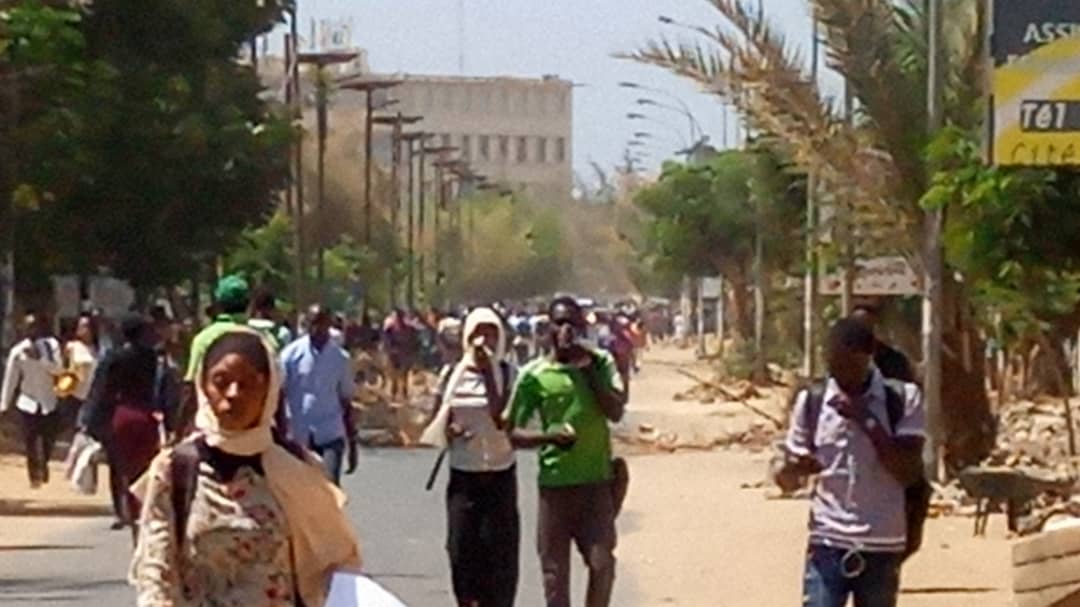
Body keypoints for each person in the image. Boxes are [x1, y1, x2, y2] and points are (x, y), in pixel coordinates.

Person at [130, 327, 361, 607]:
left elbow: (335, 569)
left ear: (269, 388)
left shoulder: (299, 469)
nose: (234, 394)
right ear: (203, 386)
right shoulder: (175, 469)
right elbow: (156, 571)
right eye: (221, 381)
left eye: (249, 383)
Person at [775, 318, 925, 607]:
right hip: (827, 540)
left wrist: (866, 419)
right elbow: (785, 480)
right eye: (834, 366)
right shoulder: (813, 401)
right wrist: (794, 469)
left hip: (882, 544)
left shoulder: (903, 399)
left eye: (849, 366)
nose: (841, 376)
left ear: (868, 359)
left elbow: (907, 472)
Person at [507, 297, 628, 607]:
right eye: (558, 323)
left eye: (572, 323)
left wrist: (587, 372)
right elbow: (513, 433)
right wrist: (549, 437)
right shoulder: (534, 375)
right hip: (555, 490)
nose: (565, 331)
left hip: (596, 485)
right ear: (548, 328)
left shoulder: (601, 363)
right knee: (554, 578)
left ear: (583, 326)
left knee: (603, 566)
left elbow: (615, 411)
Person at [428, 307, 519, 607]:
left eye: (491, 333)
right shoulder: (452, 376)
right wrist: (451, 429)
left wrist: (489, 373)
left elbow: (501, 418)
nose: (484, 340)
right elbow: (435, 421)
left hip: (499, 475)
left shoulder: (508, 374)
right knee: (461, 554)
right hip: (464, 476)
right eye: (478, 333)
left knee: (499, 559)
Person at [82, 314, 167, 530]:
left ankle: (123, 512)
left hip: (120, 415)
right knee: (145, 465)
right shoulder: (151, 358)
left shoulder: (114, 358)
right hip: (146, 415)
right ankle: (142, 507)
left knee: (118, 466)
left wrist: (90, 420)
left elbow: (101, 390)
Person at [279, 304, 358, 485]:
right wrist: (281, 433)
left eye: (322, 323)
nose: (317, 328)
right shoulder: (290, 356)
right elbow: (279, 395)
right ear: (307, 324)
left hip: (330, 433)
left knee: (330, 487)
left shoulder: (340, 358)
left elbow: (346, 400)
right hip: (299, 436)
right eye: (313, 323)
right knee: (301, 490)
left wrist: (352, 443)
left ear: (329, 324)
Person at [179, 275, 250, 434]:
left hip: (212, 431)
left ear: (219, 304)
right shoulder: (263, 340)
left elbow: (190, 390)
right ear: (248, 304)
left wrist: (179, 431)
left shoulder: (204, 339)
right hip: (255, 434)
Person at [1, 313, 64, 488]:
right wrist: (4, 405)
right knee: (30, 439)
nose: (32, 331)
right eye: (28, 327)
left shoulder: (52, 346)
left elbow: (59, 370)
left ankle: (44, 463)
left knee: (48, 439)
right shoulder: (18, 351)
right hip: (27, 402)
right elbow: (11, 379)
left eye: (35, 326)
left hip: (48, 401)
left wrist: (41, 360)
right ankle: (33, 474)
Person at [851, 304, 916, 383]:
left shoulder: (894, 359)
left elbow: (903, 385)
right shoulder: (842, 357)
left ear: (875, 327)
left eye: (867, 325)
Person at [384, 308, 419, 401]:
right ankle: (393, 394)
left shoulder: (410, 329)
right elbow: (386, 342)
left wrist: (412, 352)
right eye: (395, 317)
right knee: (393, 376)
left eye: (398, 317)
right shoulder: (389, 329)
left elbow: (414, 340)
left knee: (404, 375)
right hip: (393, 355)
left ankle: (404, 394)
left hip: (405, 354)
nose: (397, 319)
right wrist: (391, 350)